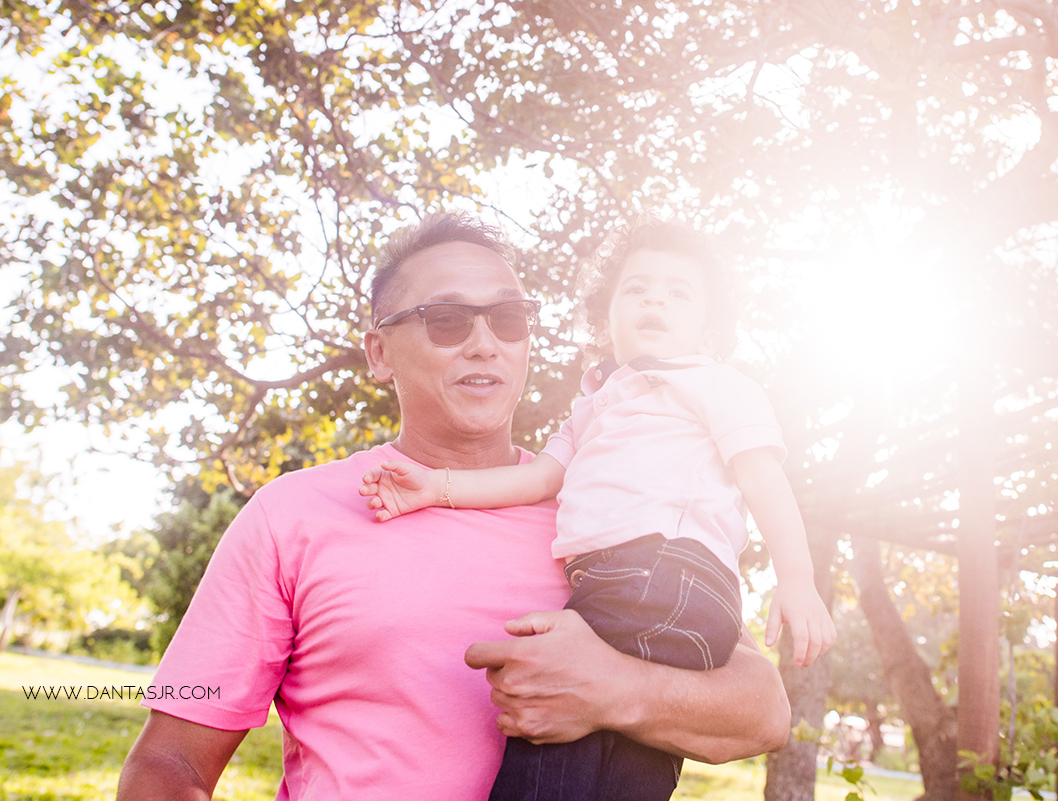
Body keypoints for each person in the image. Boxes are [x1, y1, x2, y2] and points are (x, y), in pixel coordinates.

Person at [116, 213, 792, 801]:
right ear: (379, 351)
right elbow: (169, 758)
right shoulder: (289, 515)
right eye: (445, 319)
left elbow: (761, 711)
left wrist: (619, 688)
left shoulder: (607, 511)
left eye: (507, 319)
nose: (484, 342)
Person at [360, 217, 836, 801]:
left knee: (550, 692)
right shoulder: (594, 405)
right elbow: (536, 478)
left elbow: (763, 478)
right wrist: (436, 488)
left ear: (709, 333)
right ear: (605, 320)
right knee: (630, 748)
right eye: (636, 288)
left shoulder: (714, 382)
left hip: (665, 569)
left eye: (678, 293)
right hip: (617, 580)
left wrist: (797, 580)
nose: (654, 299)